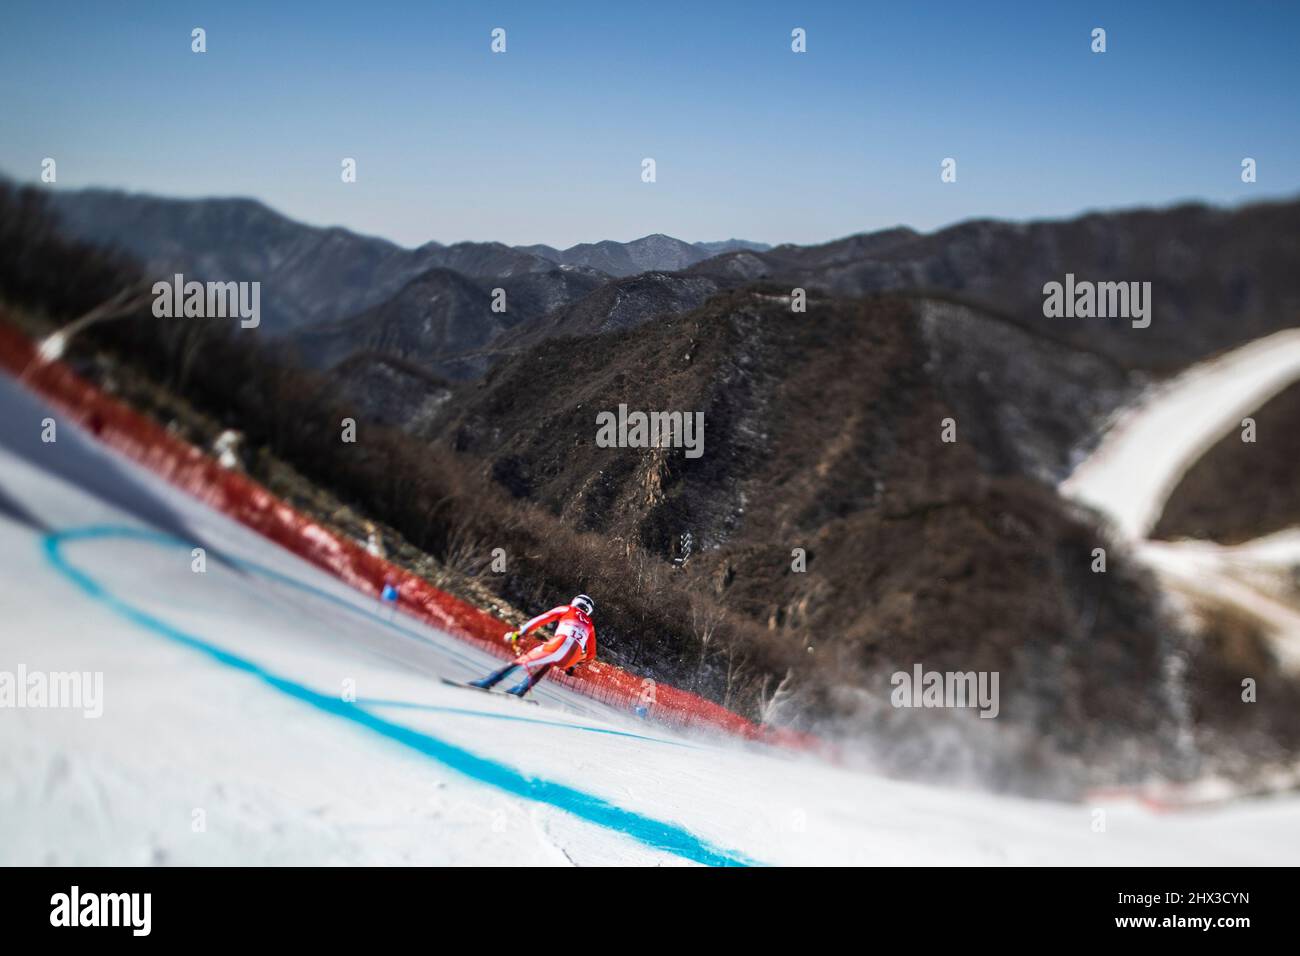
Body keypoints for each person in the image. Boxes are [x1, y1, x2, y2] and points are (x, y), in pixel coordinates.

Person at [471, 594, 597, 697]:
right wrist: (573, 664)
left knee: (522, 661)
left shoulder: (567, 609)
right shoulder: (590, 625)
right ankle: (522, 689)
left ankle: (488, 682)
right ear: (589, 610)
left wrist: (520, 633)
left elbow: (539, 620)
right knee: (549, 662)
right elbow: (591, 655)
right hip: (572, 658)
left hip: (558, 645)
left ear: (575, 602)